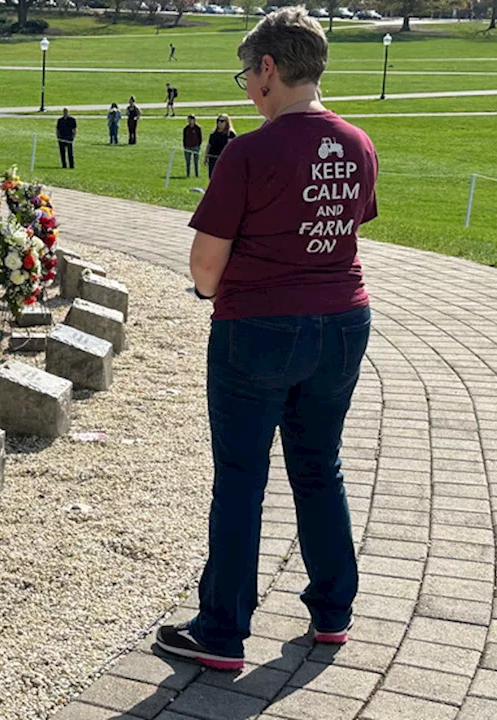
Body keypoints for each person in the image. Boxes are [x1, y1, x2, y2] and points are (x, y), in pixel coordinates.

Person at [155, 6, 378, 672]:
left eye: (247, 74)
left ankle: (222, 630)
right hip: (343, 323)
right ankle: (333, 609)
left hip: (258, 328)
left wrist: (205, 293)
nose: (246, 88)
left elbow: (204, 266)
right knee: (319, 466)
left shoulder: (250, 151)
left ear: (271, 69)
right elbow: (345, 228)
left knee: (242, 479)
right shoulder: (359, 143)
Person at [206, 114, 237, 178]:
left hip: (224, 160)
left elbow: (231, 148)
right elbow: (209, 145)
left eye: (222, 121)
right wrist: (206, 156)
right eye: (218, 120)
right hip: (212, 159)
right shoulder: (213, 134)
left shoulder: (230, 134)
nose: (219, 123)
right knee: (212, 176)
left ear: (227, 122)